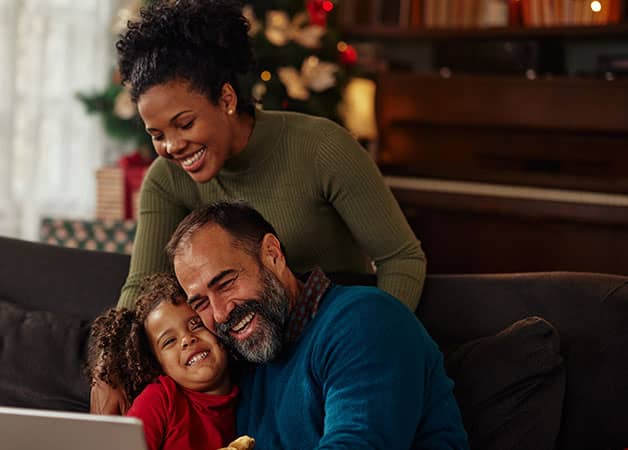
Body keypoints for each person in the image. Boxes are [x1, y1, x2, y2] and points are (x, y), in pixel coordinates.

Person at [114, 0, 426, 314]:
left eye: (185, 124)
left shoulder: (322, 147)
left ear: (226, 99)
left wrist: (377, 337)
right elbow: (143, 290)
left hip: (337, 336)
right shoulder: (166, 179)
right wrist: (116, 354)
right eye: (157, 135)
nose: (172, 146)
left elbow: (401, 258)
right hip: (241, 349)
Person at [165, 201, 468, 449]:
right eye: (201, 303)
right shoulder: (251, 353)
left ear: (272, 255)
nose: (219, 314)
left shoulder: (365, 319)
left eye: (227, 283)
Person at [88, 273, 250, 450]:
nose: (187, 339)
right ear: (158, 364)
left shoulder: (250, 393)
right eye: (169, 341)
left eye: (196, 325)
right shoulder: (159, 399)